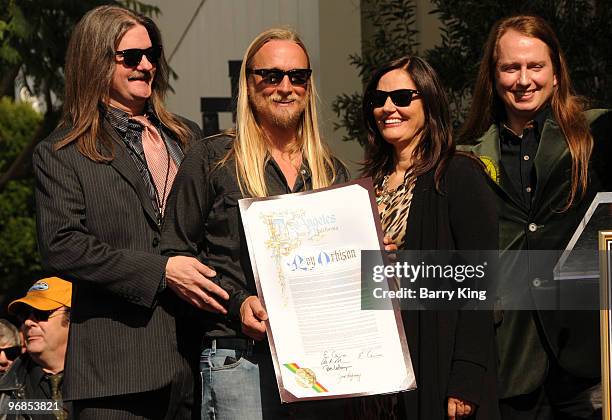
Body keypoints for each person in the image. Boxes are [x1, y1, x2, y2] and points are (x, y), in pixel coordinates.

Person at [33, 5, 228, 418]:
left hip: (202, 360)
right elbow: (62, 245)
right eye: (131, 56)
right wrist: (161, 272)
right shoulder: (62, 152)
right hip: (117, 374)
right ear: (96, 60)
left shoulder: (188, 136)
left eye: (151, 54)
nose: (146, 65)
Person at [161, 28, 348, 419]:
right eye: (272, 75)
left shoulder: (331, 172)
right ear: (249, 82)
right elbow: (175, 254)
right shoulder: (211, 159)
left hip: (322, 361)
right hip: (239, 359)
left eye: (298, 76)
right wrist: (236, 303)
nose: (286, 86)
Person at [459, 14, 611, 419]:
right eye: (510, 67)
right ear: (493, 76)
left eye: (535, 66)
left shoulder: (597, 136)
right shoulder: (469, 156)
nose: (523, 79)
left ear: (556, 72)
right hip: (511, 359)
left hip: (590, 359)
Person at [360, 55, 499, 419]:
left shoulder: (459, 175)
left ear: (430, 102)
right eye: (379, 99)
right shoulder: (366, 185)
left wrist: (466, 378)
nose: (388, 107)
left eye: (403, 97)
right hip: (377, 370)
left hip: (438, 361)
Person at [0, 277, 72, 419]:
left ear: (72, 318)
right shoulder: (5, 392)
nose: (28, 322)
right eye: (24, 314)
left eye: (41, 313)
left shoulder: (107, 379)